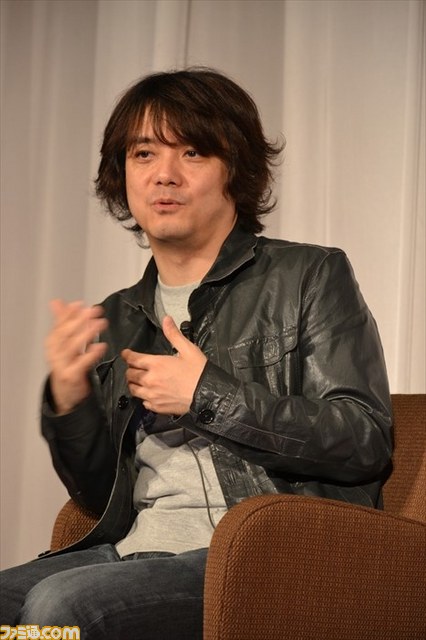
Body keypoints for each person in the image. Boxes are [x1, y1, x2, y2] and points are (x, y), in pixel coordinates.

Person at [0, 67, 393, 638]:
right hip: (134, 552)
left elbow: (363, 440)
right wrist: (70, 400)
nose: (164, 174)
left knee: (61, 610)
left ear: (236, 169)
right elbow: (96, 495)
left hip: (263, 553)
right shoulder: (118, 316)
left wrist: (206, 395)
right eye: (143, 154)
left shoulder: (308, 275)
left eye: (192, 152)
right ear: (121, 175)